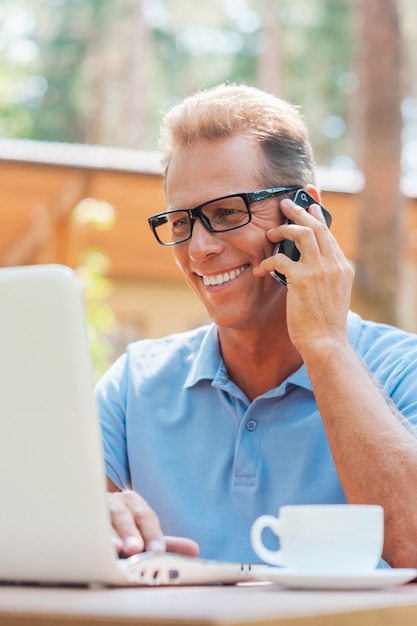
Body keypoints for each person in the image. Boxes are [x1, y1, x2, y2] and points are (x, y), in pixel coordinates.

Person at [96, 83, 417, 568]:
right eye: (181, 222)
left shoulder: (402, 370)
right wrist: (97, 512)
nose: (199, 248)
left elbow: (411, 546)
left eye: (227, 212)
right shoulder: (133, 382)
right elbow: (44, 525)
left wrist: (326, 345)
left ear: (307, 211)